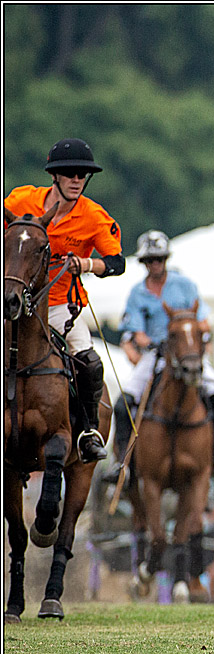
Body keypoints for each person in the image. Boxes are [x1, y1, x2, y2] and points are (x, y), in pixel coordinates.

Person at [4, 138, 126, 464]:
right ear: (55, 176)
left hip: (59, 307)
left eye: (82, 175)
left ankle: (87, 431)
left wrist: (86, 264)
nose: (77, 180)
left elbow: (116, 262)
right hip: (13, 298)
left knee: (88, 361)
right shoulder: (21, 200)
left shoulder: (94, 217)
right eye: (69, 173)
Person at [102, 230, 214, 487]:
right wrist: (154, 342)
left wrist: (191, 338)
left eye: (160, 259)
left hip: (188, 354)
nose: (156, 264)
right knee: (123, 405)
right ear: (144, 263)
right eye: (150, 260)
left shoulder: (185, 285)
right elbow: (136, 333)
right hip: (156, 356)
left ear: (166, 259)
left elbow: (204, 320)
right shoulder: (137, 293)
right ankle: (121, 464)